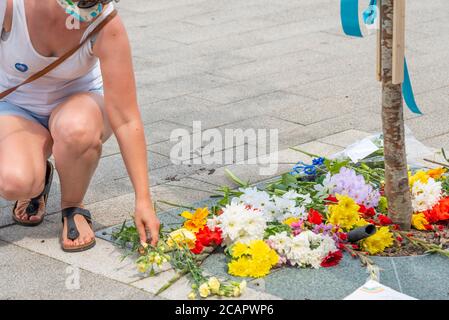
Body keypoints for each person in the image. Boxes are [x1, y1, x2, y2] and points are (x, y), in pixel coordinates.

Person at [0, 0, 160, 252]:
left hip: (79, 103)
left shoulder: (106, 22)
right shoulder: (10, 6)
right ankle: (36, 176)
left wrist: (143, 200)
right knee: (14, 182)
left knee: (76, 129)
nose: (90, 7)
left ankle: (72, 205)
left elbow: (127, 118)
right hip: (16, 107)